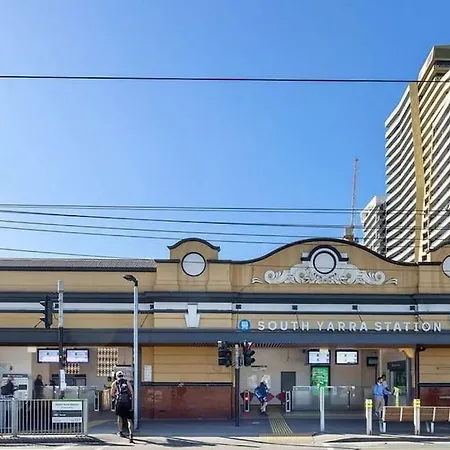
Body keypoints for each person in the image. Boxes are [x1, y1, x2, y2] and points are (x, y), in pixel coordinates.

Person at [110, 371, 134, 443]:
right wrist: (131, 401)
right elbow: (131, 392)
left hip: (119, 402)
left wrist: (115, 396)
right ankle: (131, 434)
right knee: (129, 419)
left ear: (116, 376)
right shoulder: (127, 382)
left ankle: (120, 432)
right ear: (123, 376)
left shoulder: (115, 383)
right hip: (127, 402)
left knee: (119, 417)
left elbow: (112, 394)